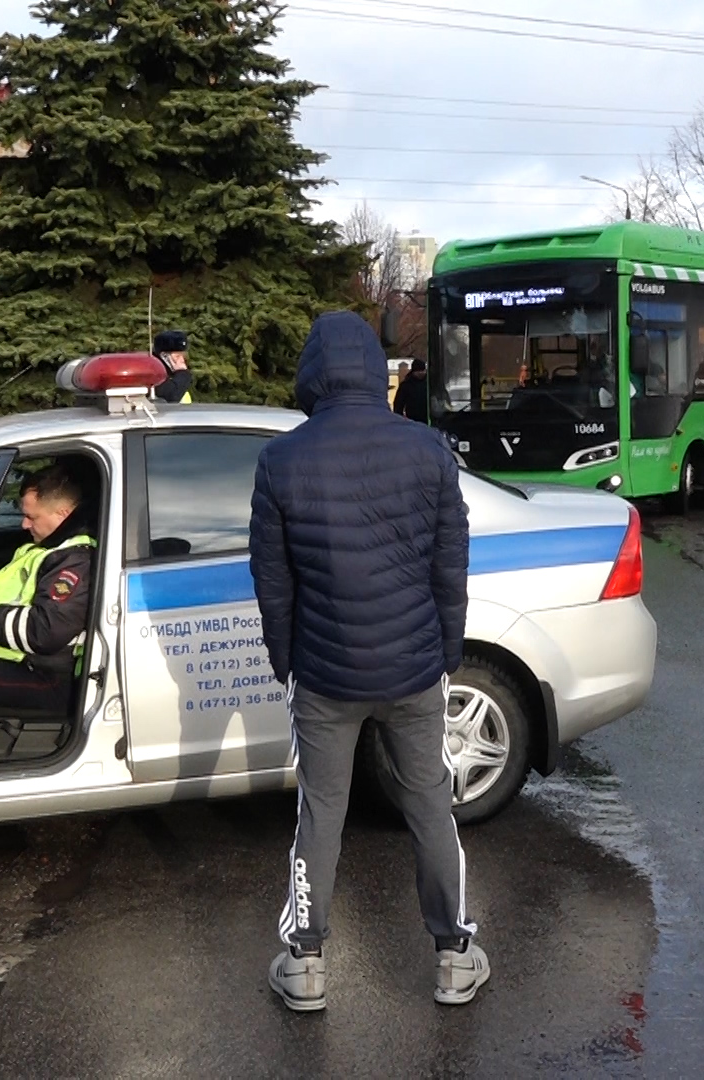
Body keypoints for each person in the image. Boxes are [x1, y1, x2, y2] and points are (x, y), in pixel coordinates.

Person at [248, 311, 482, 1013]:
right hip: (414, 669)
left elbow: (273, 581)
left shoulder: (281, 460)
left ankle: (307, 964)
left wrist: (285, 661)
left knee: (320, 812)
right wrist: (447, 651)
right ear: (378, 369)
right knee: (430, 805)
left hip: (324, 674)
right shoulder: (428, 450)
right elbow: (450, 565)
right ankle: (453, 956)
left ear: (314, 373)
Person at [0, 466, 96, 714]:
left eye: (31, 517)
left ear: (63, 514)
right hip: (17, 660)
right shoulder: (46, 549)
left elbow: (45, 630)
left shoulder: (74, 560)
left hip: (46, 675)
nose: (24, 524)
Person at [151, 329, 194, 404]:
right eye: (177, 356)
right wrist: (182, 373)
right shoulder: (155, 375)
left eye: (183, 356)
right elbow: (172, 396)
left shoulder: (174, 376)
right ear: (164, 356)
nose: (182, 360)